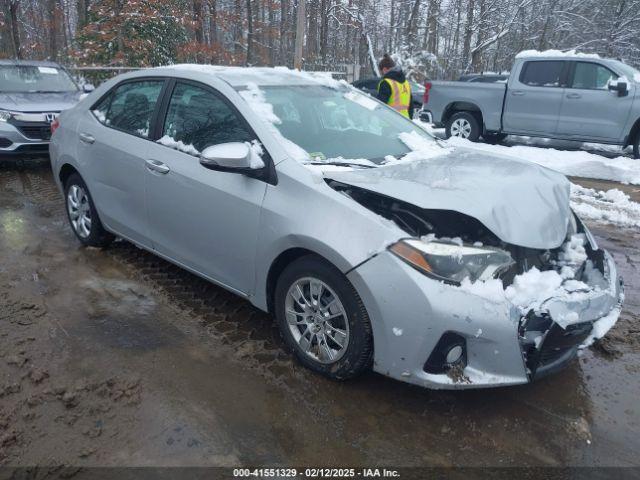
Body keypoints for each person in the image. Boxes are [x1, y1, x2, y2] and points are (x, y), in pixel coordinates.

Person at [376, 54, 413, 119]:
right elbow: (411, 106)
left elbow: (380, 105)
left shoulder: (386, 83)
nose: (381, 75)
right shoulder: (406, 83)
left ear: (384, 70)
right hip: (405, 122)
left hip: (390, 122)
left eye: (381, 72)